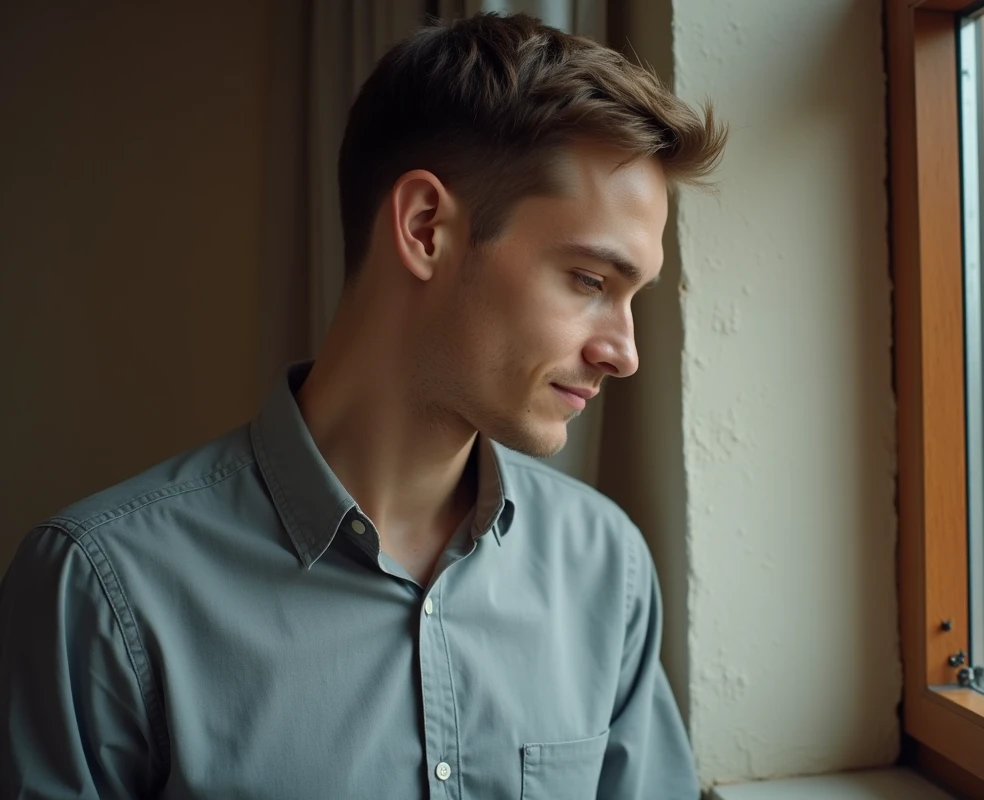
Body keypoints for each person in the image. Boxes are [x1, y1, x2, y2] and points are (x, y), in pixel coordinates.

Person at [0, 11, 726, 799]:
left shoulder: (606, 568)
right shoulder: (99, 592)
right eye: (589, 281)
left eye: (632, 297)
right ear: (425, 228)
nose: (624, 352)